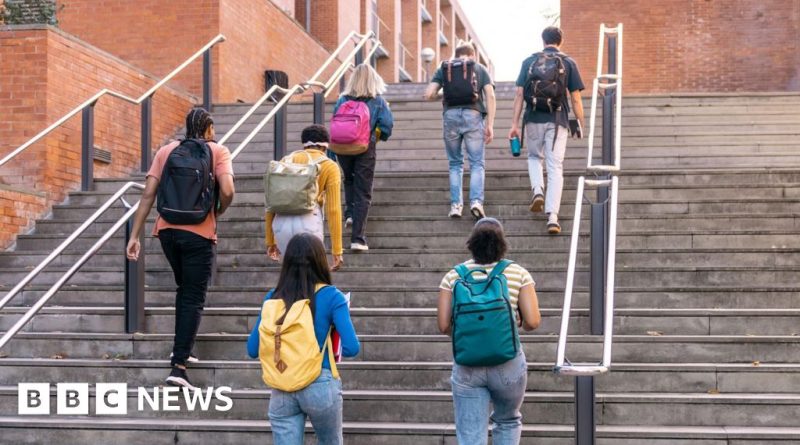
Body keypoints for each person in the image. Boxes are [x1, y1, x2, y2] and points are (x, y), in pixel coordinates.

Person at [126, 107, 235, 388]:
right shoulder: (218, 151)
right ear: (208, 129)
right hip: (199, 232)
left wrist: (134, 236)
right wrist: (217, 211)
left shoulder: (166, 151)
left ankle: (182, 346)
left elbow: (148, 194)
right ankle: (179, 367)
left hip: (167, 231)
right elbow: (228, 191)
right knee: (193, 296)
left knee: (184, 289)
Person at [247, 233, 360, 444]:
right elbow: (352, 347)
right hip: (320, 382)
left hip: (282, 385)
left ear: (287, 262)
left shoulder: (273, 297)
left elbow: (252, 349)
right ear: (320, 261)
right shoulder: (332, 296)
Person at [437, 218, 541, 445]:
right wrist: (514, 323)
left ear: (472, 243)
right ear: (502, 243)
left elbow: (444, 325)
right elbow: (533, 322)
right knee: (507, 420)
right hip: (508, 362)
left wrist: (471, 333)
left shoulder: (453, 276)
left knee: (471, 435)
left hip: (468, 364)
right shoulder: (518, 273)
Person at [508, 26, 585, 235]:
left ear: (543, 40)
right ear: (561, 41)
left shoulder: (529, 61)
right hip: (558, 120)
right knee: (555, 166)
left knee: (534, 157)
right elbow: (575, 97)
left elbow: (519, 95)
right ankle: (552, 217)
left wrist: (514, 124)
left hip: (533, 118)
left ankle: (537, 190)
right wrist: (580, 122)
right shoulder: (568, 62)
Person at [424, 41, 496, 219]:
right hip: (473, 115)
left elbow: (428, 94)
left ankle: (456, 205)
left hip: (450, 116)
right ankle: (476, 202)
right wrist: (490, 124)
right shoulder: (478, 68)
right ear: (472, 55)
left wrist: (446, 94)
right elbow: (490, 95)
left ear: (456, 55)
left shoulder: (445, 68)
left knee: (455, 163)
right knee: (476, 162)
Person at [265, 124, 344, 271]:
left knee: (290, 274)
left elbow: (271, 202)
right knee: (311, 275)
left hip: (281, 223)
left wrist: (270, 240)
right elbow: (333, 210)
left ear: (304, 144)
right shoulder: (330, 166)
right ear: (325, 147)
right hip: (309, 222)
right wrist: (337, 250)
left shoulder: (285, 161)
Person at [333, 63, 394, 252]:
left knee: (349, 179)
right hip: (364, 146)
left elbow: (334, 123)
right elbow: (386, 127)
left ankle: (350, 213)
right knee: (363, 191)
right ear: (373, 80)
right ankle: (357, 239)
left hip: (342, 147)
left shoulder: (342, 100)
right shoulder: (378, 101)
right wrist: (375, 136)